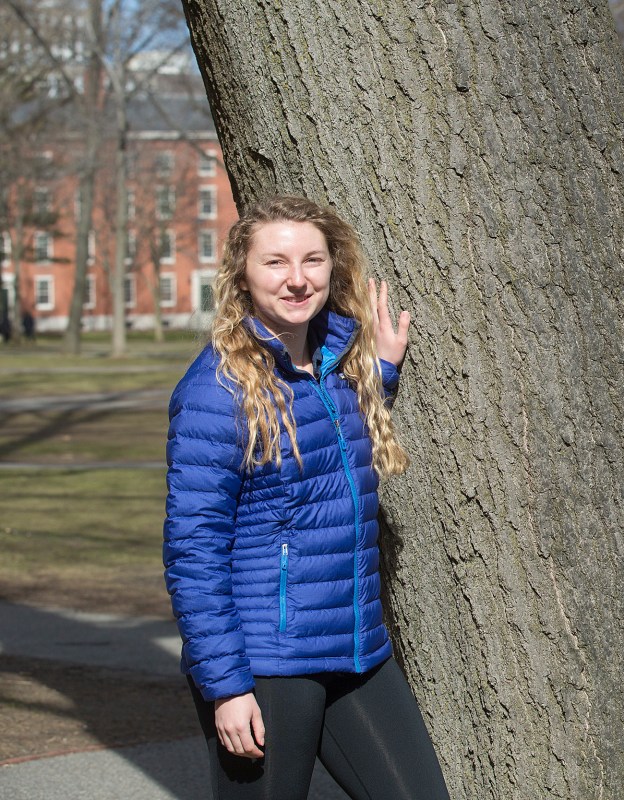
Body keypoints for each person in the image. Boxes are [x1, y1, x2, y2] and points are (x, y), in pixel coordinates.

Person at [163, 195, 450, 800]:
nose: (297, 279)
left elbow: (326, 454)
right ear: (243, 274)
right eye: (276, 262)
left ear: (333, 267)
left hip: (355, 645)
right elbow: (193, 551)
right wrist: (228, 686)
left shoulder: (338, 366)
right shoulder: (216, 392)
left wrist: (381, 377)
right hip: (265, 659)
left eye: (312, 260)